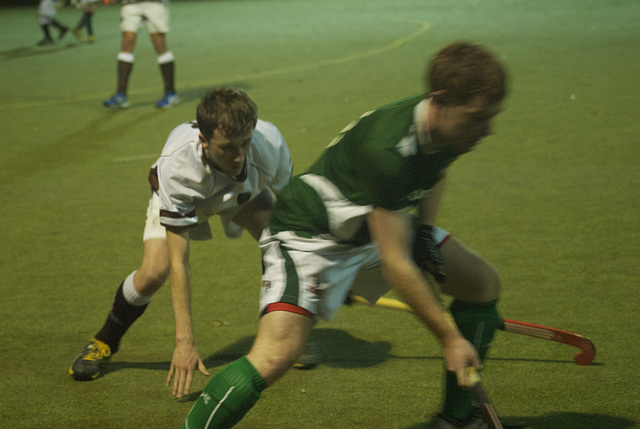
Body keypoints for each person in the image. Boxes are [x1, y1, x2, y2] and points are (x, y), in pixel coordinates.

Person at [180, 42, 519, 429]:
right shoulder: (388, 150)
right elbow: (396, 266)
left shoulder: (451, 128)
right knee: (275, 356)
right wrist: (450, 338)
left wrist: (424, 231)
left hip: (368, 225)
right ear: (441, 100)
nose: (487, 130)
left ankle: (457, 421)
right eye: (478, 119)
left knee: (481, 283)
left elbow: (435, 170)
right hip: (308, 237)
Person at [69, 87, 296, 399]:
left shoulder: (269, 142)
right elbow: (180, 263)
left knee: (283, 245)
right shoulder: (178, 168)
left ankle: (287, 331)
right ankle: (104, 341)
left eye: (246, 142)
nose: (240, 155)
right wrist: (184, 342)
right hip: (187, 199)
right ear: (204, 141)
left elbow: (294, 208)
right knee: (153, 273)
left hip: (241, 196)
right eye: (227, 147)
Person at [103, 0, 178, 109]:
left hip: (154, 3)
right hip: (130, 3)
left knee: (159, 44)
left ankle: (171, 94)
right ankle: (121, 95)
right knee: (127, 43)